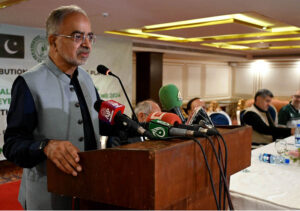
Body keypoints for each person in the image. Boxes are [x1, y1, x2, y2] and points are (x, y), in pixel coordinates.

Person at [3, 5, 125, 209]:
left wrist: (129, 127)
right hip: (48, 197)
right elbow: (12, 145)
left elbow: (97, 124)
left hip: (89, 192)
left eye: (90, 36)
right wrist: (45, 146)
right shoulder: (29, 83)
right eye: (78, 36)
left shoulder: (87, 79)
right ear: (53, 41)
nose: (87, 44)